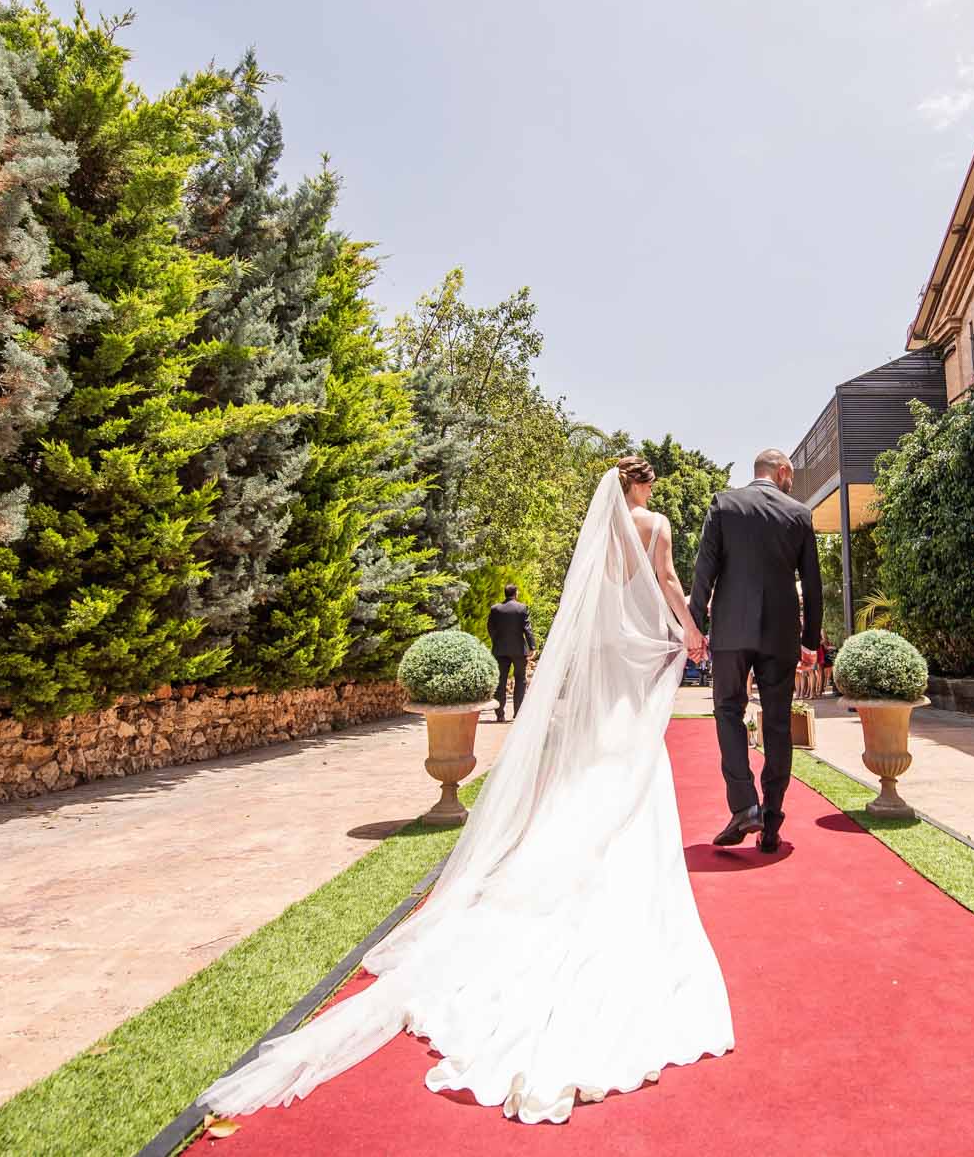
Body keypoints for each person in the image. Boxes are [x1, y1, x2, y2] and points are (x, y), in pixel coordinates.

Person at [201, 461, 730, 1123]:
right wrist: (689, 628)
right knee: (632, 772)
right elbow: (669, 580)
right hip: (631, 671)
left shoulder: (598, 538)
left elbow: (586, 616)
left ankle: (563, 860)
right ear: (640, 489)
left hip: (602, 671)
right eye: (646, 488)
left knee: (587, 772)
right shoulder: (653, 525)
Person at [688, 448, 822, 855]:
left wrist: (695, 627)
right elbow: (812, 585)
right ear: (780, 471)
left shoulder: (724, 504)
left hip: (731, 632)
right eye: (791, 475)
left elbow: (704, 570)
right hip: (780, 636)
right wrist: (810, 641)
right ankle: (772, 824)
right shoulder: (798, 514)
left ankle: (745, 803)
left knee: (728, 709)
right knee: (778, 724)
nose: (791, 483)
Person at [486, 584, 535, 721]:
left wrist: (496, 640)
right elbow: (527, 629)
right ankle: (517, 713)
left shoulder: (495, 608)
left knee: (500, 681)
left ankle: (500, 714)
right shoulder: (521, 608)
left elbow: (490, 627)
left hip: (500, 650)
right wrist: (532, 646)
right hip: (518, 650)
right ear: (516, 593)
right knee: (520, 680)